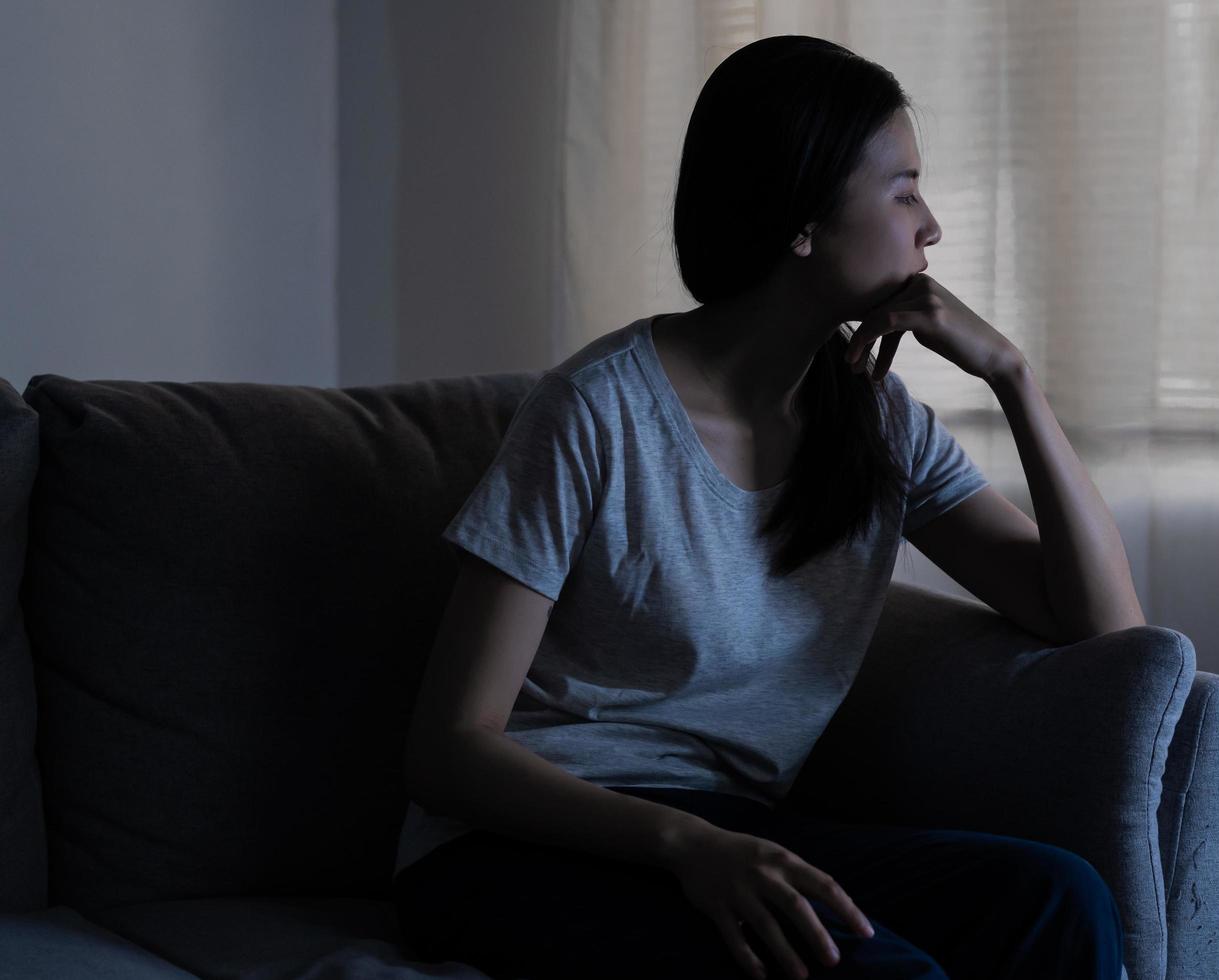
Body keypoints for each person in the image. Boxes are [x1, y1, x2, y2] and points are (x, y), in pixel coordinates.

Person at [393, 33, 1129, 980]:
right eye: (903, 189)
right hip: (517, 847)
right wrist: (685, 846)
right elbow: (447, 752)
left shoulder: (873, 423)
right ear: (802, 221)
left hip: (728, 831)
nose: (931, 225)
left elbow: (1106, 629)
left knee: (1058, 899)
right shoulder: (595, 411)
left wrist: (1015, 379)